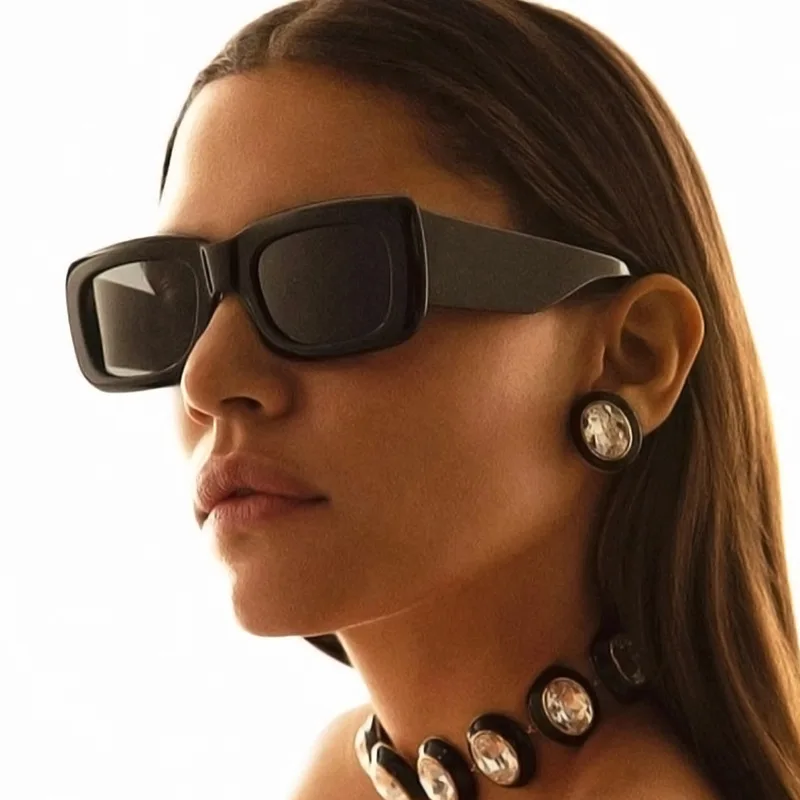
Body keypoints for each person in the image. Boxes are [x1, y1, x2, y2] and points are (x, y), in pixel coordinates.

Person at [64, 1, 800, 798]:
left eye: (329, 281)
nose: (205, 381)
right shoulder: (337, 777)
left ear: (633, 357)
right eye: (172, 302)